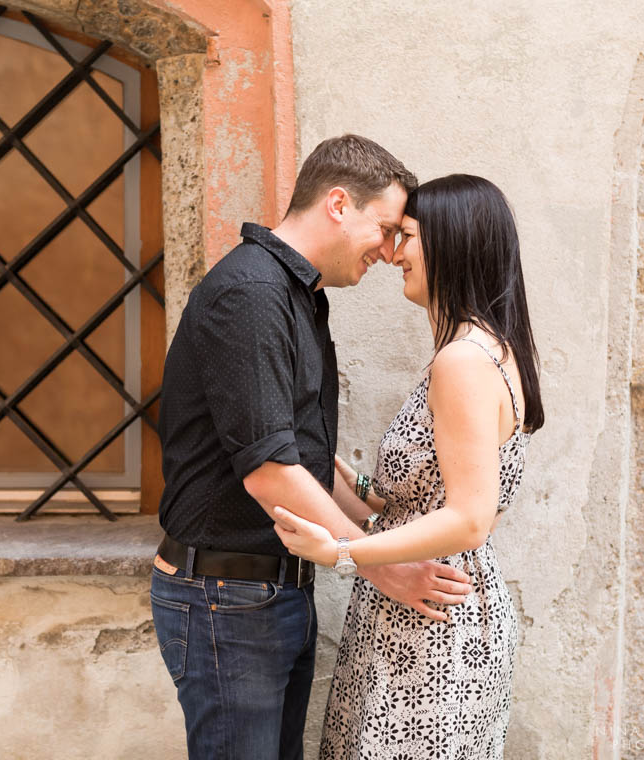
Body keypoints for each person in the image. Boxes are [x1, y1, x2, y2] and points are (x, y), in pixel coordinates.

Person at [150, 135, 478, 760]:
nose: (389, 250)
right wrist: (383, 568)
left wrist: (381, 526)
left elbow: (303, 457)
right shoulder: (251, 292)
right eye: (384, 228)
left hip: (270, 593)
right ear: (336, 203)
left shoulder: (300, 295)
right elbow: (271, 472)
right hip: (226, 599)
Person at [272, 174, 544, 759]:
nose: (394, 252)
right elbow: (430, 494)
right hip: (429, 618)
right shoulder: (484, 349)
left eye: (409, 236)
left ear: (453, 243)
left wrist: (341, 553)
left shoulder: (463, 362)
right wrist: (350, 479)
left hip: (433, 626)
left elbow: (470, 519)